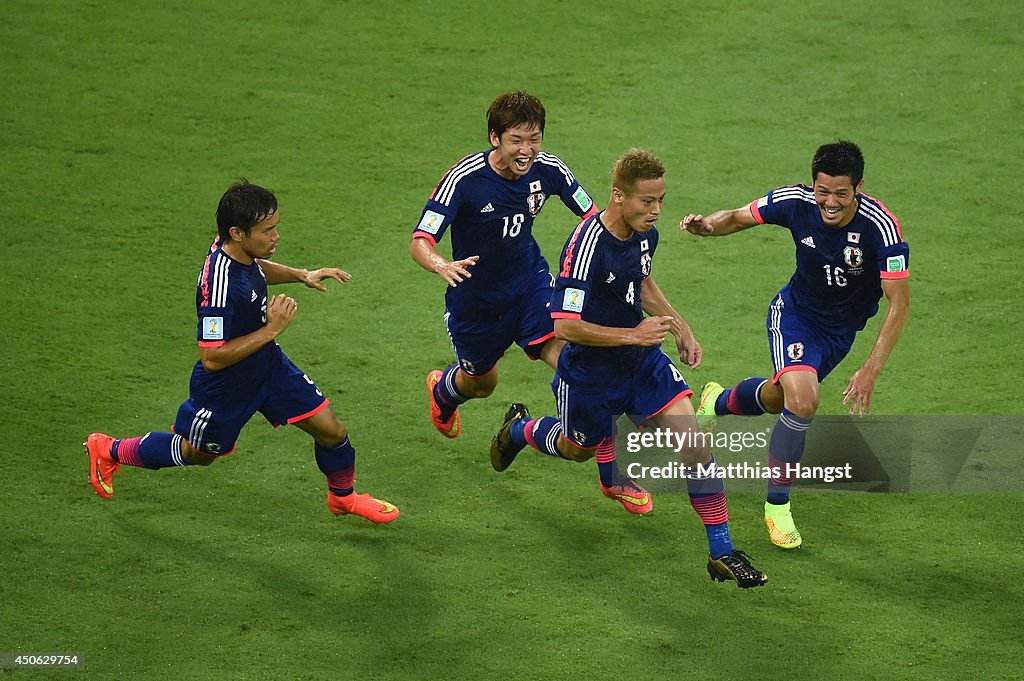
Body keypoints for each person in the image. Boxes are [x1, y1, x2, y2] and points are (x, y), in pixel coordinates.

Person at [491, 148, 768, 588]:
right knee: (575, 448)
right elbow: (565, 326)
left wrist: (681, 328)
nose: (656, 211)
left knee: (693, 446)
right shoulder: (585, 246)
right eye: (647, 201)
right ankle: (521, 429)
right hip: (590, 375)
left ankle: (723, 551)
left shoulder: (645, 234)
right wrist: (631, 335)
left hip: (642, 367)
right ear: (619, 196)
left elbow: (641, 282)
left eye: (661, 200)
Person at [85, 180, 399, 524]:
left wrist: (302, 275)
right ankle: (109, 449)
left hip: (267, 366)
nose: (276, 236)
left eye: (275, 227)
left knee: (332, 430)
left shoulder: (238, 251)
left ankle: (343, 498)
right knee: (197, 454)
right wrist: (272, 329)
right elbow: (212, 357)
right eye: (267, 230)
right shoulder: (217, 288)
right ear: (237, 232)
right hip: (227, 387)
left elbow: (255, 269)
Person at [681, 140, 910, 549]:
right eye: (823, 191)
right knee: (803, 401)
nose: (831, 202)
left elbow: (899, 303)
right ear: (813, 184)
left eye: (841, 193)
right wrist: (709, 227)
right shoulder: (796, 202)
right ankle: (777, 507)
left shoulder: (881, 228)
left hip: (840, 334)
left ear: (858, 186)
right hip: (795, 316)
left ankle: (717, 401)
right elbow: (737, 216)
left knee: (779, 399)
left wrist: (870, 368)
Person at [410, 91, 598, 439]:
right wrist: (441, 265)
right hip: (476, 304)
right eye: (516, 140)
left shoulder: (550, 170)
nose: (526, 150)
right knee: (481, 384)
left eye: (534, 139)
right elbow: (421, 240)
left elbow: (593, 219)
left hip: (530, 286)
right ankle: (442, 392)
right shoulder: (465, 179)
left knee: (571, 359)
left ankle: (579, 437)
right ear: (494, 138)